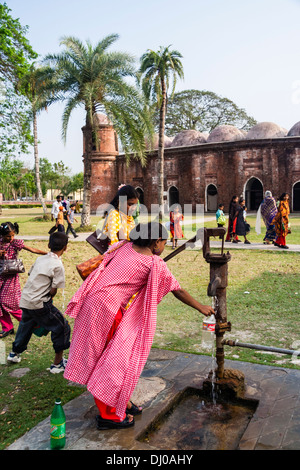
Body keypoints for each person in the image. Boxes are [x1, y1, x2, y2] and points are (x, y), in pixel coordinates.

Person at [63, 222, 215, 430]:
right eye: (164, 242)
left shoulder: (124, 246)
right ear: (155, 243)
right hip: (108, 310)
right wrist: (201, 307)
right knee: (112, 361)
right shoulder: (154, 264)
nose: (165, 247)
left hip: (93, 303)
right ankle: (109, 416)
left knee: (106, 357)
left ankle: (120, 401)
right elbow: (177, 289)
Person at [7, 232, 71, 373]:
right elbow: (53, 291)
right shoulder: (58, 265)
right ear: (65, 248)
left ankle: (14, 353)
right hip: (39, 303)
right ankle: (57, 363)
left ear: (48, 245)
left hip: (26, 300)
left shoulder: (40, 259)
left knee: (25, 326)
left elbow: (31, 274)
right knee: (62, 327)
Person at [0, 222, 47, 338]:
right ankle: (7, 327)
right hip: (0, 276)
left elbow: (31, 249)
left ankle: (33, 322)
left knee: (8, 302)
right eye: (8, 236)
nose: (11, 238)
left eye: (12, 235)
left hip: (10, 277)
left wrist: (48, 253)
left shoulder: (15, 243)